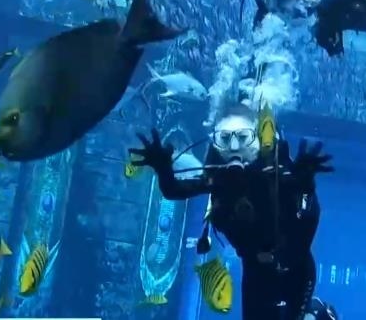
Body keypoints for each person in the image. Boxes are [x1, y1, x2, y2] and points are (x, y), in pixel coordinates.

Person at [130, 104, 334, 320]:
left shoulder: (276, 177)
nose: (234, 146)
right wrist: (163, 169)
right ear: (215, 142)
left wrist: (306, 186)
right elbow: (174, 191)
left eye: (243, 137)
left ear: (257, 139)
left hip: (297, 272)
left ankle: (318, 313)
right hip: (255, 274)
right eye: (225, 138)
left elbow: (306, 227)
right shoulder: (218, 180)